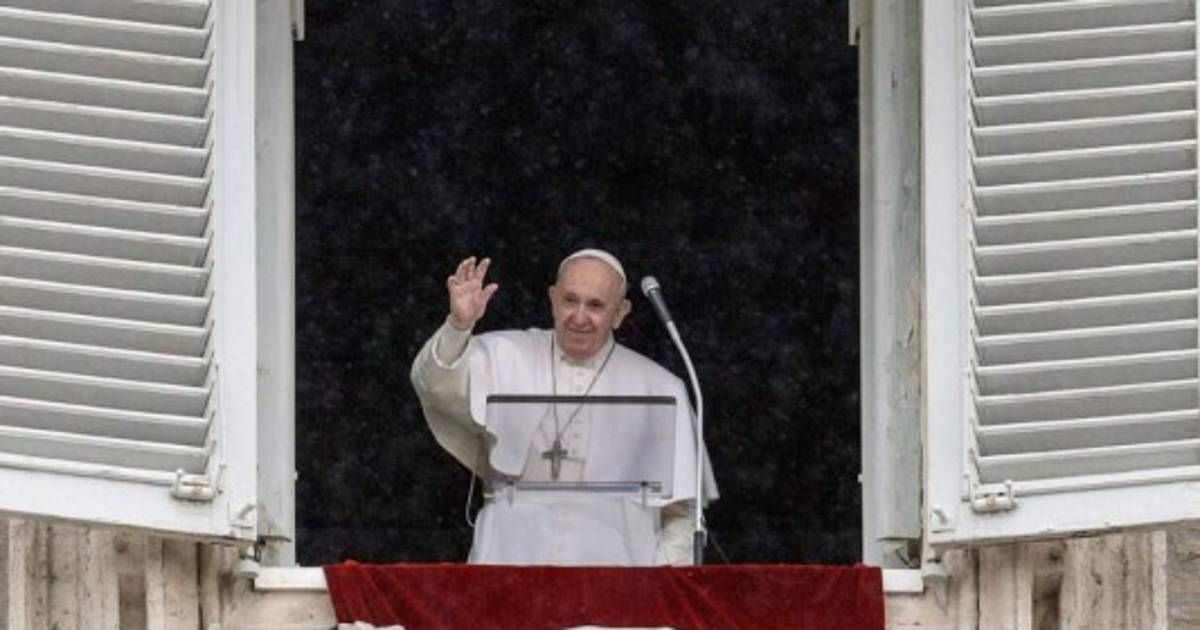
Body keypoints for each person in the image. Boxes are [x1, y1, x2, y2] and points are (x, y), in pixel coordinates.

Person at [410, 248, 717, 565]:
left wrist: (663, 582)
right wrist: (458, 326)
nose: (579, 317)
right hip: (511, 557)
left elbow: (681, 515)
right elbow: (432, 384)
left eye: (595, 305)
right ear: (553, 299)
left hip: (616, 569)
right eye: (570, 300)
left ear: (620, 312)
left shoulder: (660, 387)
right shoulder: (506, 353)